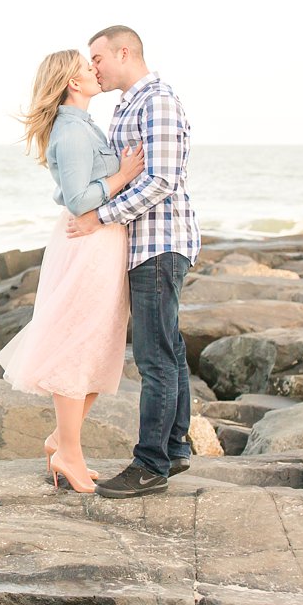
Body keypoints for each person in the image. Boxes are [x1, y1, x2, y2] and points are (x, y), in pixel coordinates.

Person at [0, 48, 145, 494]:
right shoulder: (74, 131)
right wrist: (124, 174)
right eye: (86, 66)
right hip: (88, 244)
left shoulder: (82, 125)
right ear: (73, 84)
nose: (94, 70)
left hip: (99, 242)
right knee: (80, 344)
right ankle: (69, 453)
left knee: (98, 344)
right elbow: (80, 200)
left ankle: (63, 439)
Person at [65, 25, 201, 498]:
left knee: (154, 355)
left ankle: (151, 465)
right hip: (143, 245)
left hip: (159, 244)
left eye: (98, 57)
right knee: (169, 347)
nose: (93, 67)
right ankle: (177, 447)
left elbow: (161, 179)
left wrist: (98, 217)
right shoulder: (128, 104)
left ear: (125, 52)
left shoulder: (156, 100)